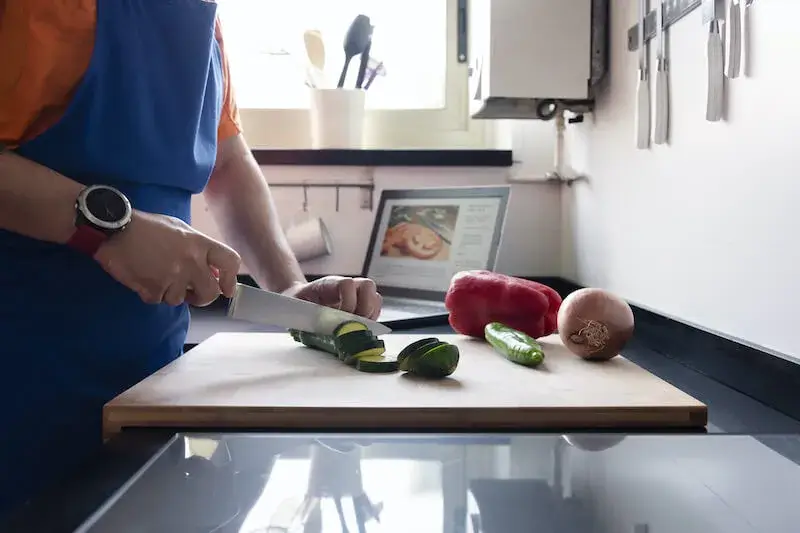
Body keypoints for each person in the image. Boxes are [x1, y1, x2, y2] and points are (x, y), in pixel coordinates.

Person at [0, 0, 382, 518]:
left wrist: (288, 291)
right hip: (19, 384)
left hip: (146, 388)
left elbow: (227, 163)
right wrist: (112, 228)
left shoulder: (200, 20)